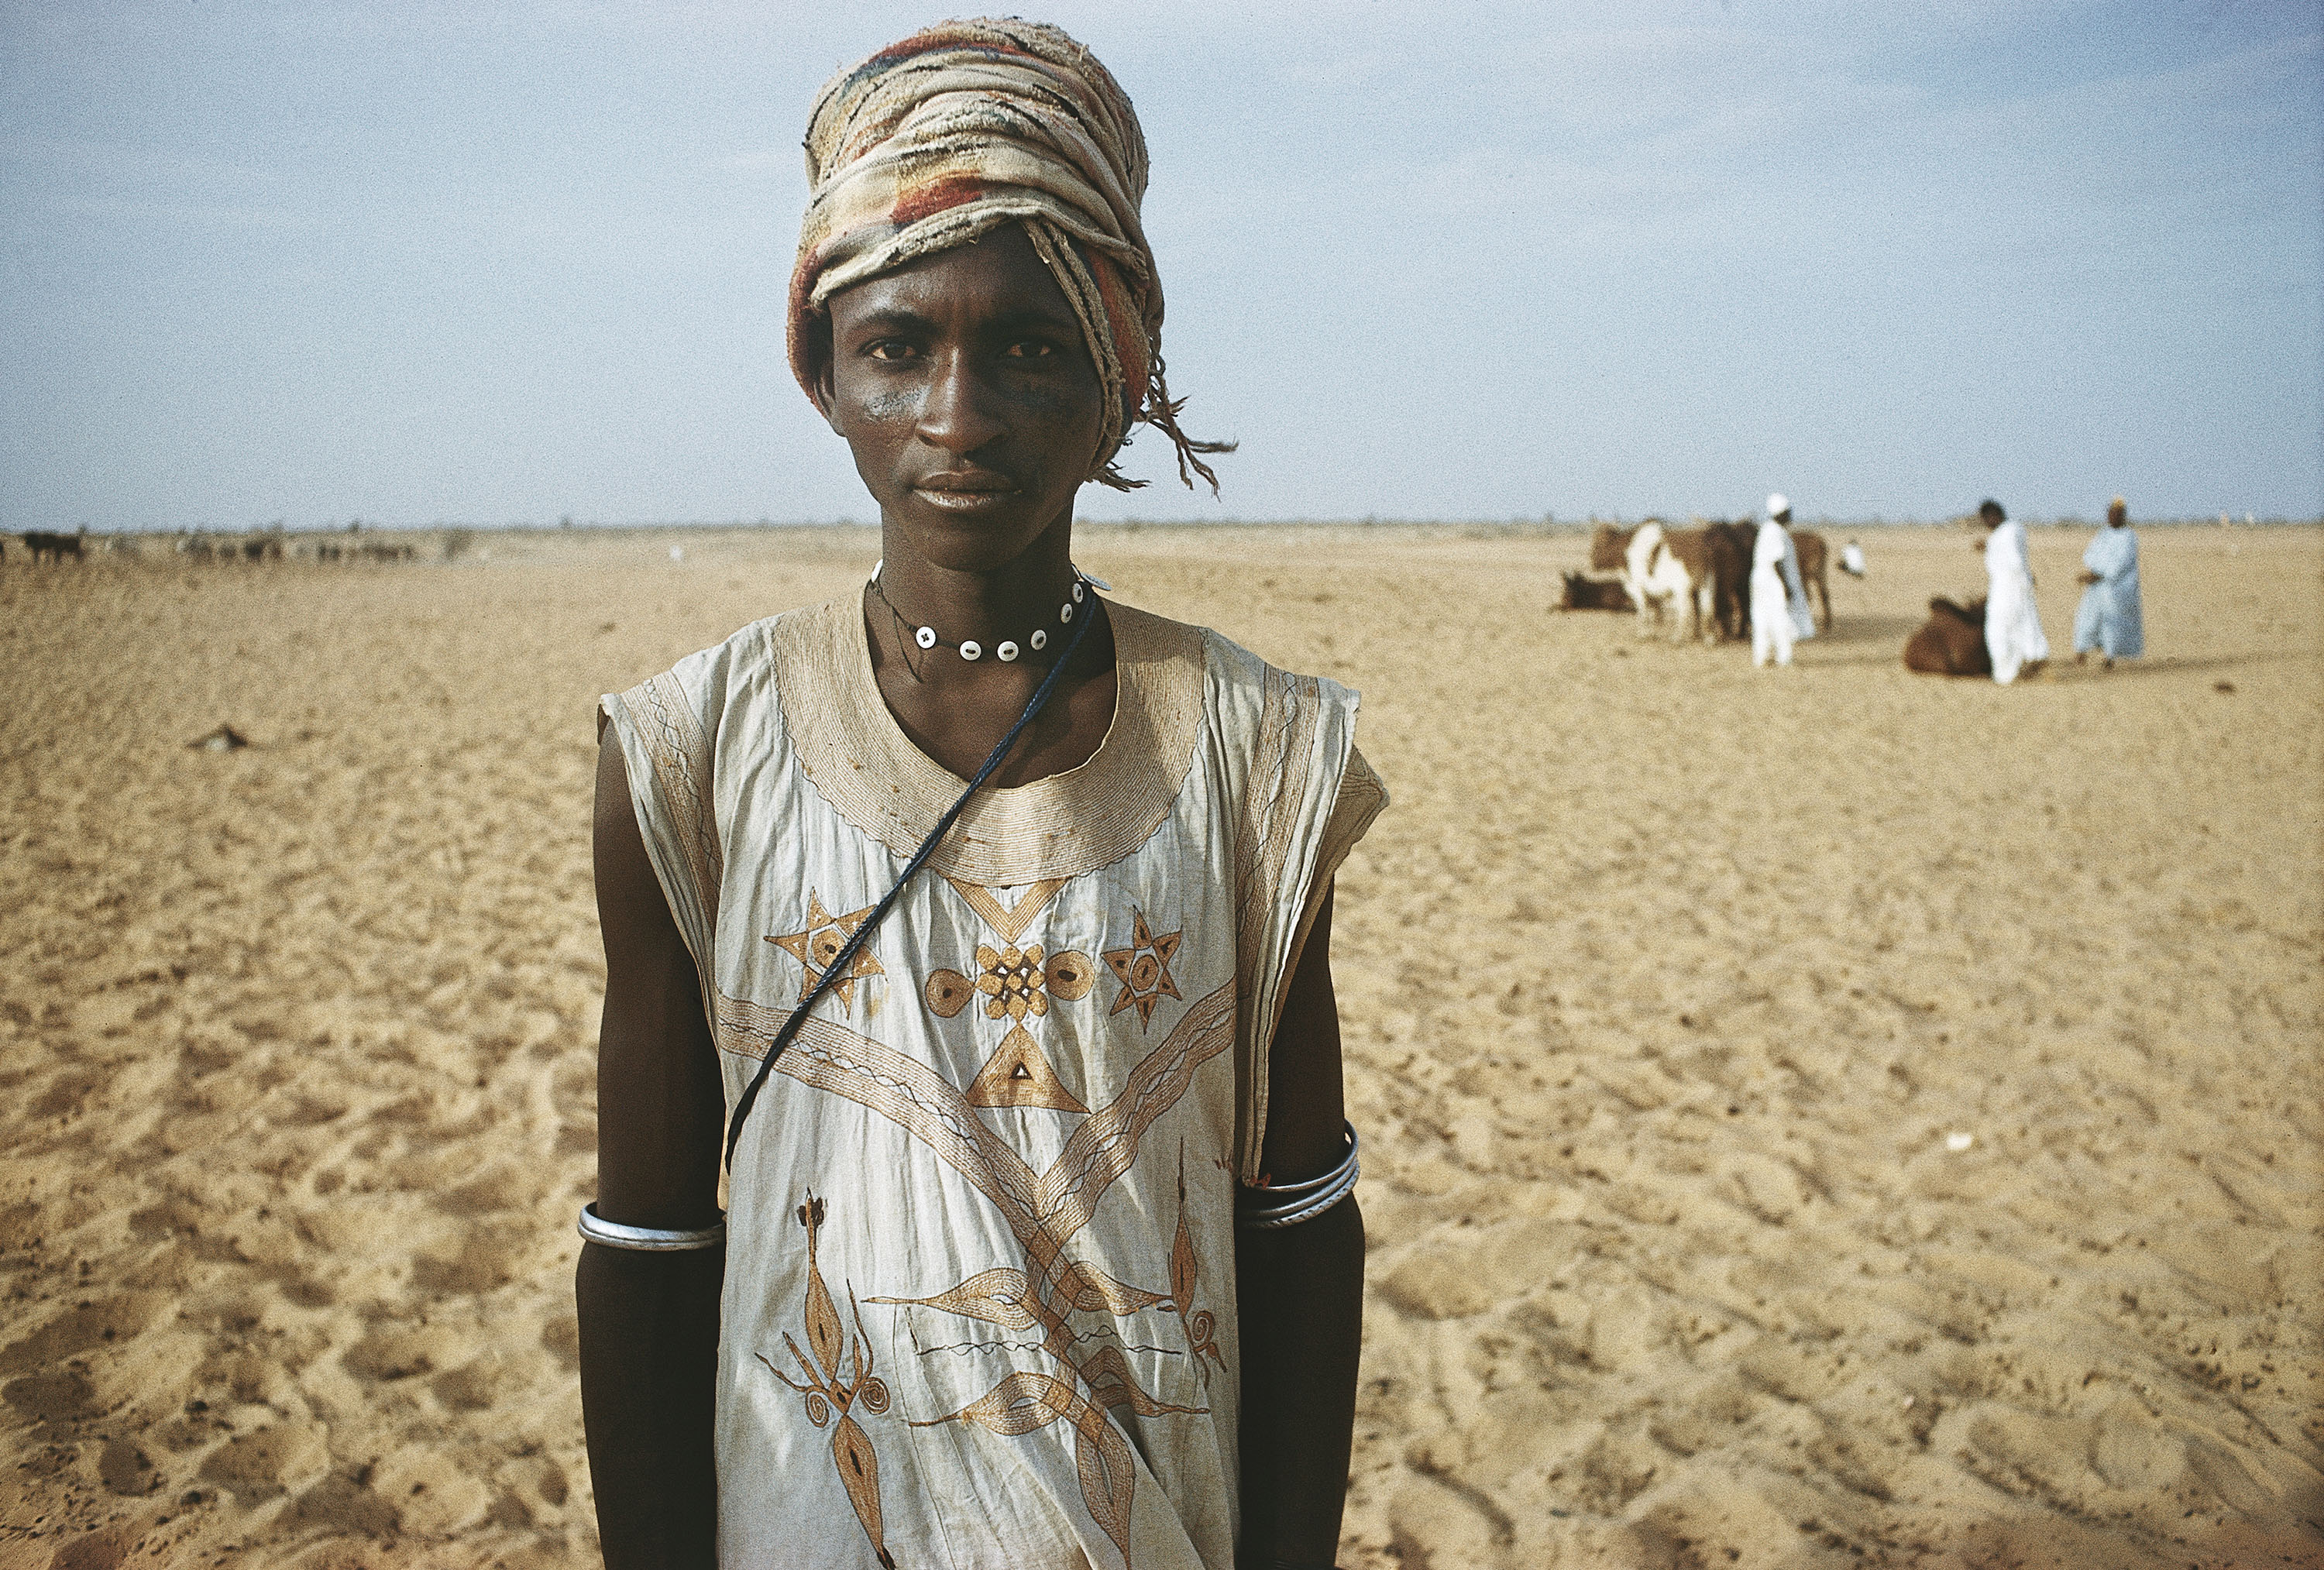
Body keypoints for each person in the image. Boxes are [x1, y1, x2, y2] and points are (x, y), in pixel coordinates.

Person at [576, 21, 1384, 1570]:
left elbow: (1297, 1218)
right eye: (897, 346)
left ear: (1117, 377)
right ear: (821, 367)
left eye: (1028, 345)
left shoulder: (1257, 750)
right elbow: (650, 1243)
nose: (960, 411)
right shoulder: (689, 749)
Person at [1975, 498, 2048, 684]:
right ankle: (2020, 664)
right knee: (2014, 626)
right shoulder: (2003, 533)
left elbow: (2014, 561)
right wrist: (1988, 546)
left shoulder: (2010, 531)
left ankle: (2010, 671)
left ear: (1994, 515)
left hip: (2011, 587)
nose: (1985, 524)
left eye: (1985, 519)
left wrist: (2023, 579)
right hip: (2006, 586)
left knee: (1999, 629)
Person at [2074, 496, 2143, 668]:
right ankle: (2080, 653)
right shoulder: (2103, 533)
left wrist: (2100, 575)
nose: (2112, 517)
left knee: (2113, 622)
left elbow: (2122, 562)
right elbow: (2091, 553)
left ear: (2123, 516)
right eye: (2110, 514)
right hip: (2096, 587)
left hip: (2116, 588)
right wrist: (2090, 572)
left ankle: (2109, 657)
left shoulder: (2128, 536)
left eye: (2116, 514)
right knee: (2087, 619)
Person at [1751, 493, 1817, 668]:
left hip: (1761, 580)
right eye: (1788, 512)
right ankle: (1784, 658)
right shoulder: (1776, 532)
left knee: (1762, 619)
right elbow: (1777, 561)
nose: (1790, 516)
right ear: (1781, 513)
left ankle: (1761, 657)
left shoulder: (1766, 529)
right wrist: (1785, 586)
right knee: (1780, 618)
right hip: (1773, 582)